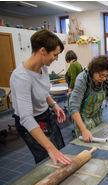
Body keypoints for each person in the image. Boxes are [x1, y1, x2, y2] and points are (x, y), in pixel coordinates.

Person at [10, 29, 72, 166]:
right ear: (43, 51)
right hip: (30, 122)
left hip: (45, 115)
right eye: (55, 55)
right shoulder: (21, 77)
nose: (56, 59)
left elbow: (43, 93)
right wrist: (50, 148)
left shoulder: (43, 67)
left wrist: (53, 104)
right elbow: (26, 117)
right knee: (48, 158)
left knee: (61, 149)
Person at [68, 55, 108, 142]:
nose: (104, 78)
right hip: (82, 117)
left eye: (107, 75)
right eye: (101, 75)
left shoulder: (107, 81)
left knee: (98, 139)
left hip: (96, 115)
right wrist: (84, 130)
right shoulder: (83, 80)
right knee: (86, 142)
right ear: (94, 70)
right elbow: (74, 107)